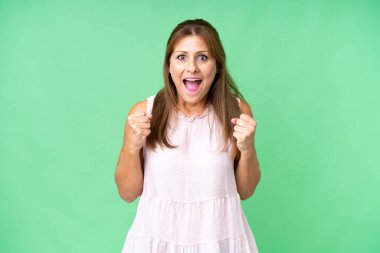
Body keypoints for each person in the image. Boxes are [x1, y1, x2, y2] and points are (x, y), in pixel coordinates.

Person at [114, 18, 261, 253]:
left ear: (217, 66)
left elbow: (245, 191)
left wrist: (248, 149)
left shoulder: (236, 111)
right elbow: (127, 193)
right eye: (181, 57)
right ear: (169, 65)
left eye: (203, 57)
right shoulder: (144, 113)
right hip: (157, 240)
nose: (192, 67)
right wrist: (132, 148)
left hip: (219, 239)